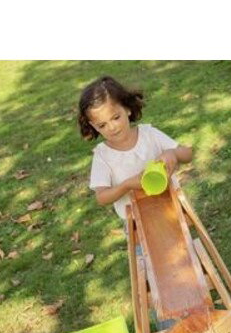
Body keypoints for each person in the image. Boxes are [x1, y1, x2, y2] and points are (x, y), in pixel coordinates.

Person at [77, 75, 193, 223]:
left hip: (172, 210)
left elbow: (188, 155)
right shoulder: (103, 155)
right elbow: (102, 197)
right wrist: (127, 185)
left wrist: (173, 153)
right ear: (94, 126)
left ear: (127, 109)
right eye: (102, 125)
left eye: (116, 117)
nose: (112, 127)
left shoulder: (149, 134)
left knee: (181, 239)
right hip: (138, 224)